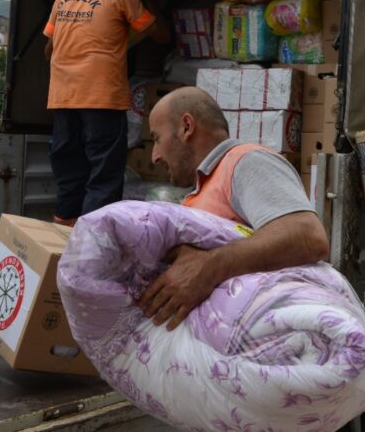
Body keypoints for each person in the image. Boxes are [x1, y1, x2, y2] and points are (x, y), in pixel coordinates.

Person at [139, 86, 328, 330]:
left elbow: (307, 236)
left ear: (186, 126)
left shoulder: (246, 161)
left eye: (156, 138)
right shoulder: (205, 185)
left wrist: (207, 268)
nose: (154, 156)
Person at [44, 0, 170, 225]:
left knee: (69, 167)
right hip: (101, 95)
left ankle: (63, 231)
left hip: (63, 96)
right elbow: (160, 34)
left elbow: (48, 50)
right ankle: (94, 239)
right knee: (104, 171)